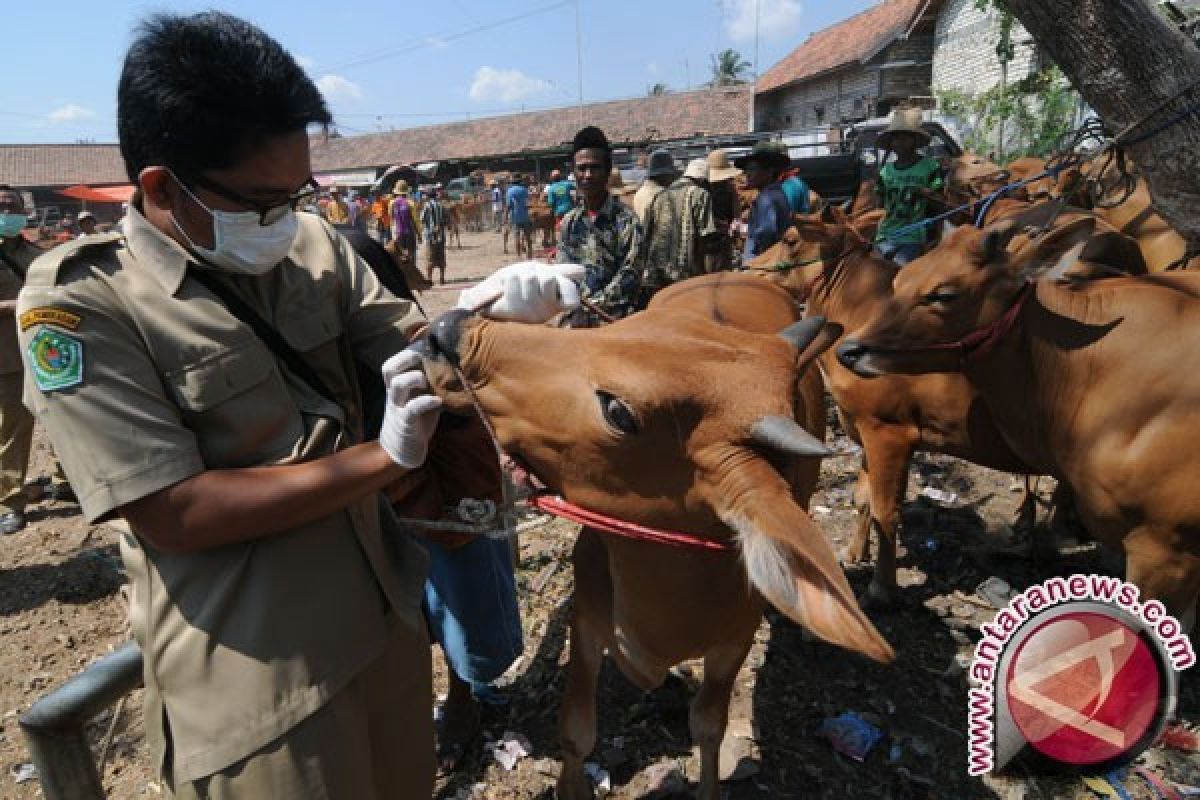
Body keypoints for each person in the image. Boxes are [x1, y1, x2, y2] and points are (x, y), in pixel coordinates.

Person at [15, 12, 580, 799]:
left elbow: (414, 343)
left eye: (297, 193)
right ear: (160, 186)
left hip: (384, 625)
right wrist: (383, 457)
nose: (285, 217)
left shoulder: (310, 246)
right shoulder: (81, 307)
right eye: (263, 201)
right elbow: (173, 509)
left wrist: (487, 320)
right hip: (260, 679)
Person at [0, 186, 73, 535]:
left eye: (13, 206)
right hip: (7, 358)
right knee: (12, 433)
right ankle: (9, 502)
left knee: (63, 419)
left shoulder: (34, 253)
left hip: (46, 352)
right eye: (2, 207)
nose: (9, 212)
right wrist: (17, 306)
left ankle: (66, 481)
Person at [557, 126, 644, 323]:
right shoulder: (569, 223)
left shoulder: (626, 220)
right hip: (575, 320)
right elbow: (563, 272)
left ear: (607, 172)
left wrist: (591, 309)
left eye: (594, 167)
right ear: (574, 172)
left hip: (616, 323)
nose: (587, 175)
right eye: (581, 168)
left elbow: (631, 275)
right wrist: (573, 309)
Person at [638, 158, 717, 307]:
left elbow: (646, 234)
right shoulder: (700, 194)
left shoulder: (659, 195)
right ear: (703, 180)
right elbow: (707, 238)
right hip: (684, 278)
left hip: (655, 276)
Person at [873, 108, 945, 265]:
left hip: (913, 236)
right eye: (895, 139)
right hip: (885, 236)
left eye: (904, 138)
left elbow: (941, 204)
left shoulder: (930, 166)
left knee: (900, 273)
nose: (899, 143)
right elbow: (879, 207)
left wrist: (928, 194)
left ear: (914, 140)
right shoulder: (885, 172)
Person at [734, 140, 793, 260]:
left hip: (762, 264)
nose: (748, 174)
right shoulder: (776, 193)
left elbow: (766, 234)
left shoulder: (767, 199)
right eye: (747, 170)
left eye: (753, 169)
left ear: (769, 172)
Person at [704, 149, 742, 273]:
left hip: (725, 241)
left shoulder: (730, 189)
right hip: (707, 244)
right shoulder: (703, 191)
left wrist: (735, 224)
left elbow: (736, 214)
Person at [632, 148, 675, 223]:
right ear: (664, 175)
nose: (672, 179)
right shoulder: (662, 196)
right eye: (670, 175)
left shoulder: (640, 193)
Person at [420, 186, 448, 286]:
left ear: (427, 196)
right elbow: (446, 220)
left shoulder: (427, 206)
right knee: (441, 257)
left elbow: (422, 219)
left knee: (430, 258)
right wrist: (439, 226)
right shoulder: (441, 205)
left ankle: (429, 279)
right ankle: (442, 278)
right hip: (441, 235)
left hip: (430, 236)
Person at [389, 180, 422, 266]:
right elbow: (416, 221)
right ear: (406, 191)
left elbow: (392, 219)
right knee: (412, 256)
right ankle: (413, 272)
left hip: (398, 233)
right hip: (409, 233)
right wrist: (419, 235)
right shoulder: (410, 203)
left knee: (400, 256)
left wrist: (393, 234)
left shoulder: (392, 203)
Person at [505, 174, 533, 260]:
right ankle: (530, 254)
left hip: (515, 217)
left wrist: (506, 216)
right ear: (520, 182)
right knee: (528, 236)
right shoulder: (524, 190)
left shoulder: (509, 191)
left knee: (517, 236)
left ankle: (519, 256)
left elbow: (509, 205)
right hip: (525, 216)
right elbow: (527, 203)